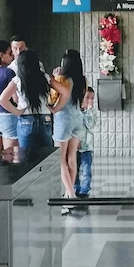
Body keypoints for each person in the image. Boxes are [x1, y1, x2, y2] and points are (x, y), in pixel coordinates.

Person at [0, 48, 55, 161]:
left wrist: (17, 112)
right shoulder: (44, 77)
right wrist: (55, 107)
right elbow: (65, 91)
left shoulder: (18, 80)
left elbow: (2, 100)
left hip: (26, 120)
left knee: (27, 159)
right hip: (46, 119)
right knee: (46, 158)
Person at [51, 49, 87, 211]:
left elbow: (52, 98)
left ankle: (70, 195)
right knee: (72, 157)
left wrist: (53, 77)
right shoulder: (83, 80)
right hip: (77, 118)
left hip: (63, 119)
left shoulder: (61, 79)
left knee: (61, 160)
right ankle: (69, 193)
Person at [75, 86, 97, 204]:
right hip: (75, 147)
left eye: (92, 98)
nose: (90, 100)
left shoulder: (92, 112)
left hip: (87, 147)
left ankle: (85, 190)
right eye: (87, 97)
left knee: (86, 169)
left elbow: (91, 125)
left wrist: (88, 111)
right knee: (75, 169)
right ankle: (75, 189)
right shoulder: (75, 111)